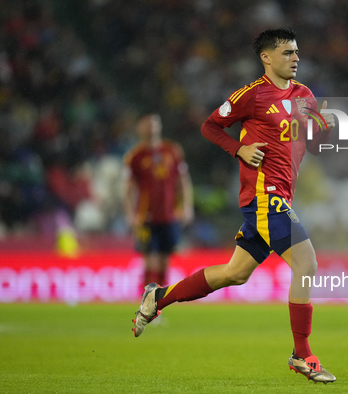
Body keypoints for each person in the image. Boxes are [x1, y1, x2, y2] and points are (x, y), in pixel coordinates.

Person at [131, 28, 336, 383]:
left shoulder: (305, 97)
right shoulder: (252, 95)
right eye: (287, 52)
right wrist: (238, 148)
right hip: (263, 197)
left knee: (235, 273)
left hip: (280, 197)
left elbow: (313, 147)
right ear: (266, 58)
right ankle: (301, 354)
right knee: (307, 264)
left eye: (297, 52)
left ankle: (157, 298)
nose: (296, 58)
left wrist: (324, 130)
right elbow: (210, 126)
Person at [123, 112, 194, 289]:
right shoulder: (135, 156)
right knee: (150, 261)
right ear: (140, 128)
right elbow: (128, 189)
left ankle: (157, 304)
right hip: (146, 216)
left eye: (155, 123)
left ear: (160, 126)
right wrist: (130, 213)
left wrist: (187, 206)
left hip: (169, 216)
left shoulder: (172, 151)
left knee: (164, 262)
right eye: (147, 124)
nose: (151, 127)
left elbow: (183, 182)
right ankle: (147, 303)